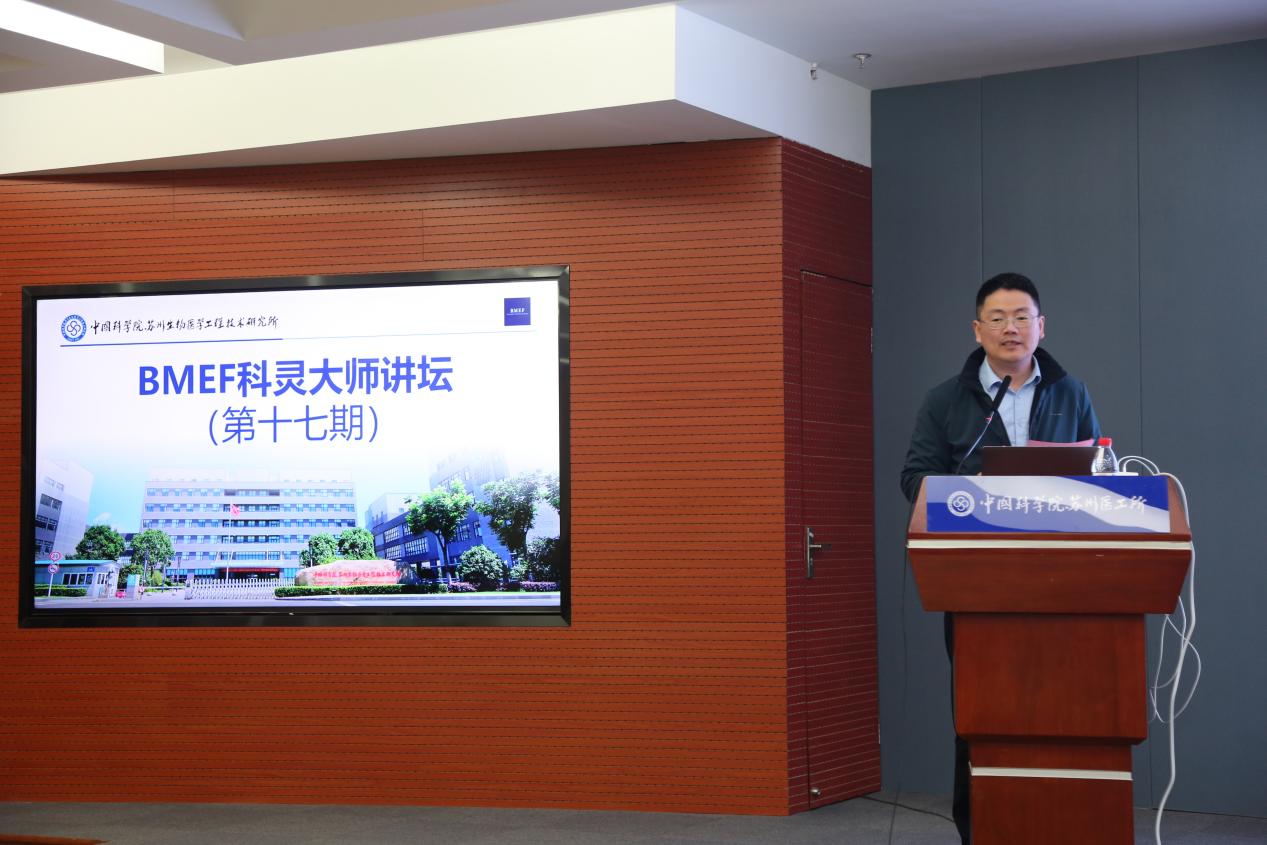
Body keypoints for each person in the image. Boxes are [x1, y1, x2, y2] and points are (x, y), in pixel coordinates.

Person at [899, 272, 1101, 844]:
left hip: (1058, 580)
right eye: (997, 318)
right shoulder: (945, 399)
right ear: (977, 329)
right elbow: (915, 479)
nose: (1011, 328)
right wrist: (977, 494)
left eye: (1021, 317)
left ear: (1041, 326)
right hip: (977, 581)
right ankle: (979, 829)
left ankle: (1056, 825)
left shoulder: (1071, 393)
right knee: (981, 711)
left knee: (1058, 705)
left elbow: (1098, 476)